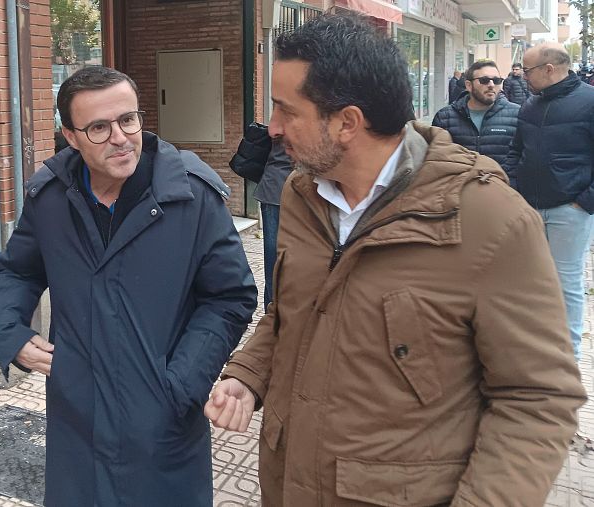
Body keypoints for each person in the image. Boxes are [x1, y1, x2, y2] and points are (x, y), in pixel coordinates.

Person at [205, 14, 584, 506]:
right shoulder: (302, 195)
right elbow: (292, 311)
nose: (273, 128)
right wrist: (249, 374)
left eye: (285, 110)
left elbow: (537, 398)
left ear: (347, 123)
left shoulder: (490, 219)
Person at [0, 66, 257, 506]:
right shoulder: (50, 197)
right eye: (98, 127)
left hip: (162, 427)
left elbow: (230, 297)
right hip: (76, 424)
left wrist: (181, 384)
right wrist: (11, 333)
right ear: (70, 136)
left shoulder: (191, 195)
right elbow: (18, 270)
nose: (120, 138)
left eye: (128, 120)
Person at [503, 43, 594, 360]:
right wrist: (513, 187)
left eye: (527, 70)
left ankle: (568, 355)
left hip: (570, 210)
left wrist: (583, 203)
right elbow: (516, 151)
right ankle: (535, 346)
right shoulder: (531, 104)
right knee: (530, 279)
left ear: (549, 69)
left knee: (566, 282)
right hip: (528, 207)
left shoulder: (589, 101)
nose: (522, 76)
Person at [432, 60, 519, 167]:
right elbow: (436, 160)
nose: (491, 85)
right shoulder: (444, 118)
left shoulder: (517, 115)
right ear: (469, 85)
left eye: (497, 80)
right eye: (484, 80)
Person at [254, 141, 292, 309]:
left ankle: (272, 308)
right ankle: (272, 311)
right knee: (274, 256)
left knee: (275, 256)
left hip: (277, 186)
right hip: (277, 188)